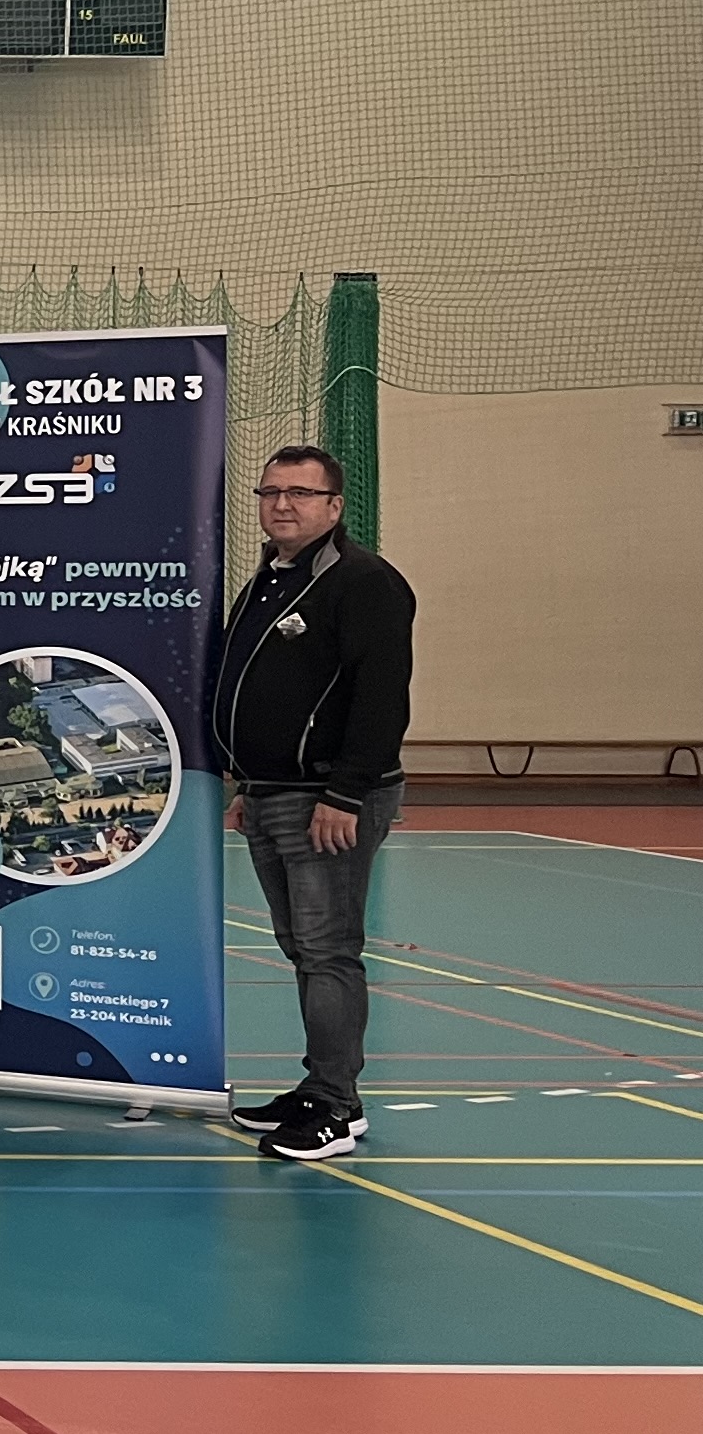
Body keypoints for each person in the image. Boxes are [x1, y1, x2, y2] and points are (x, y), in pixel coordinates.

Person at [215, 443, 417, 1162]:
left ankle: (337, 1105)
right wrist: (248, 783)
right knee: (301, 947)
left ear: (334, 507)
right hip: (271, 794)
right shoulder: (268, 579)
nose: (282, 504)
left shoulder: (364, 582)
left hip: (327, 799)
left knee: (328, 951)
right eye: (271, 492)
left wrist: (345, 793)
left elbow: (381, 699)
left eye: (300, 493)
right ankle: (318, 1086)